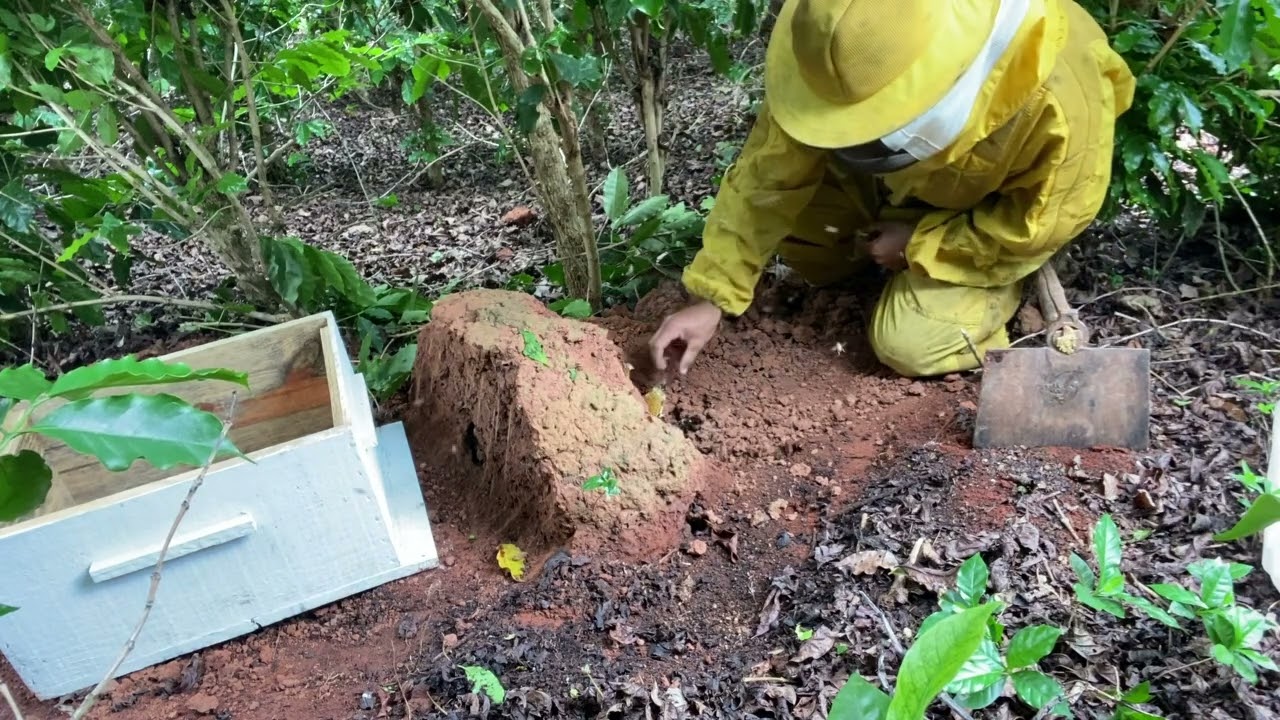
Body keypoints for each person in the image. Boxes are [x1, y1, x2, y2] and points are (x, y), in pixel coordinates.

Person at [649, 0, 1135, 378]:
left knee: (910, 344)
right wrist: (712, 296)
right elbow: (768, 175)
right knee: (808, 227)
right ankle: (864, 278)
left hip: (985, 221)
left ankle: (997, 293)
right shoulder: (831, 46)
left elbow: (1033, 228)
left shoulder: (1060, 97)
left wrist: (918, 243)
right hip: (898, 190)